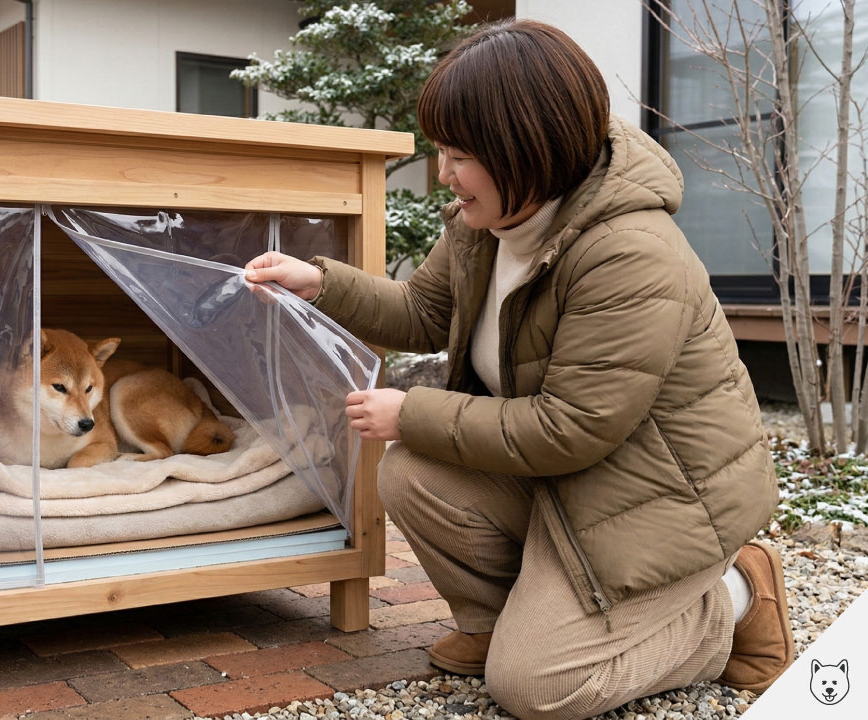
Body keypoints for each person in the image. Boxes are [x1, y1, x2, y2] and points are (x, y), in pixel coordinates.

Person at [244, 19, 793, 720]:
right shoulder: (490, 224)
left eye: (459, 154)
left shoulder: (628, 254)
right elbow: (421, 310)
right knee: (412, 472)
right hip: (572, 485)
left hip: (657, 503)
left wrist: (410, 411)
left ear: (526, 148)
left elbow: (572, 427)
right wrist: (320, 283)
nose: (443, 172)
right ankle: (502, 624)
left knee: (538, 688)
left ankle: (734, 601)